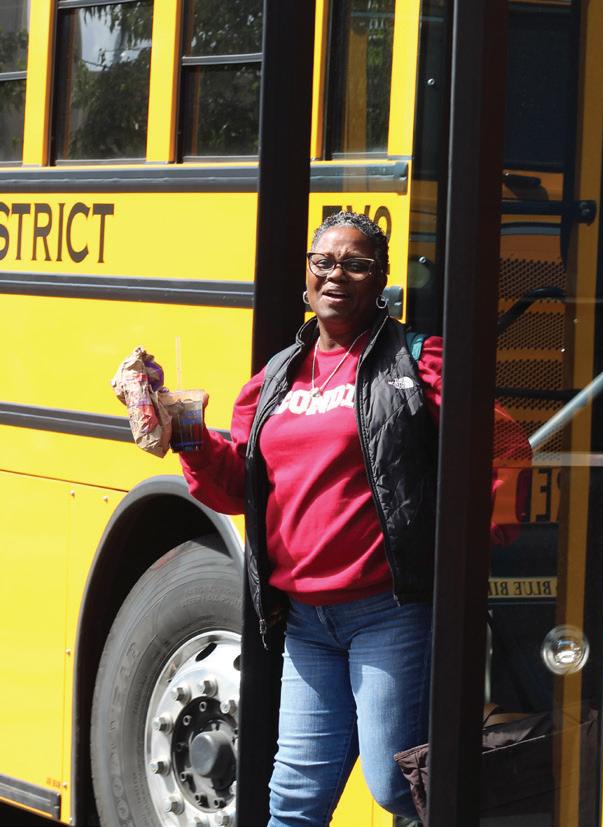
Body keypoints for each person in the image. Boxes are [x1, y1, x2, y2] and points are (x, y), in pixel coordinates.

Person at [179, 211, 444, 825]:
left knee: (394, 783)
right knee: (294, 797)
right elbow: (238, 486)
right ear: (306, 276)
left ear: (380, 280)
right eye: (323, 262)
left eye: (356, 265)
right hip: (305, 621)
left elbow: (497, 448)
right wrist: (186, 433)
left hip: (388, 612)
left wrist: (475, 541)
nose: (336, 275)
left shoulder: (416, 361)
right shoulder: (277, 376)